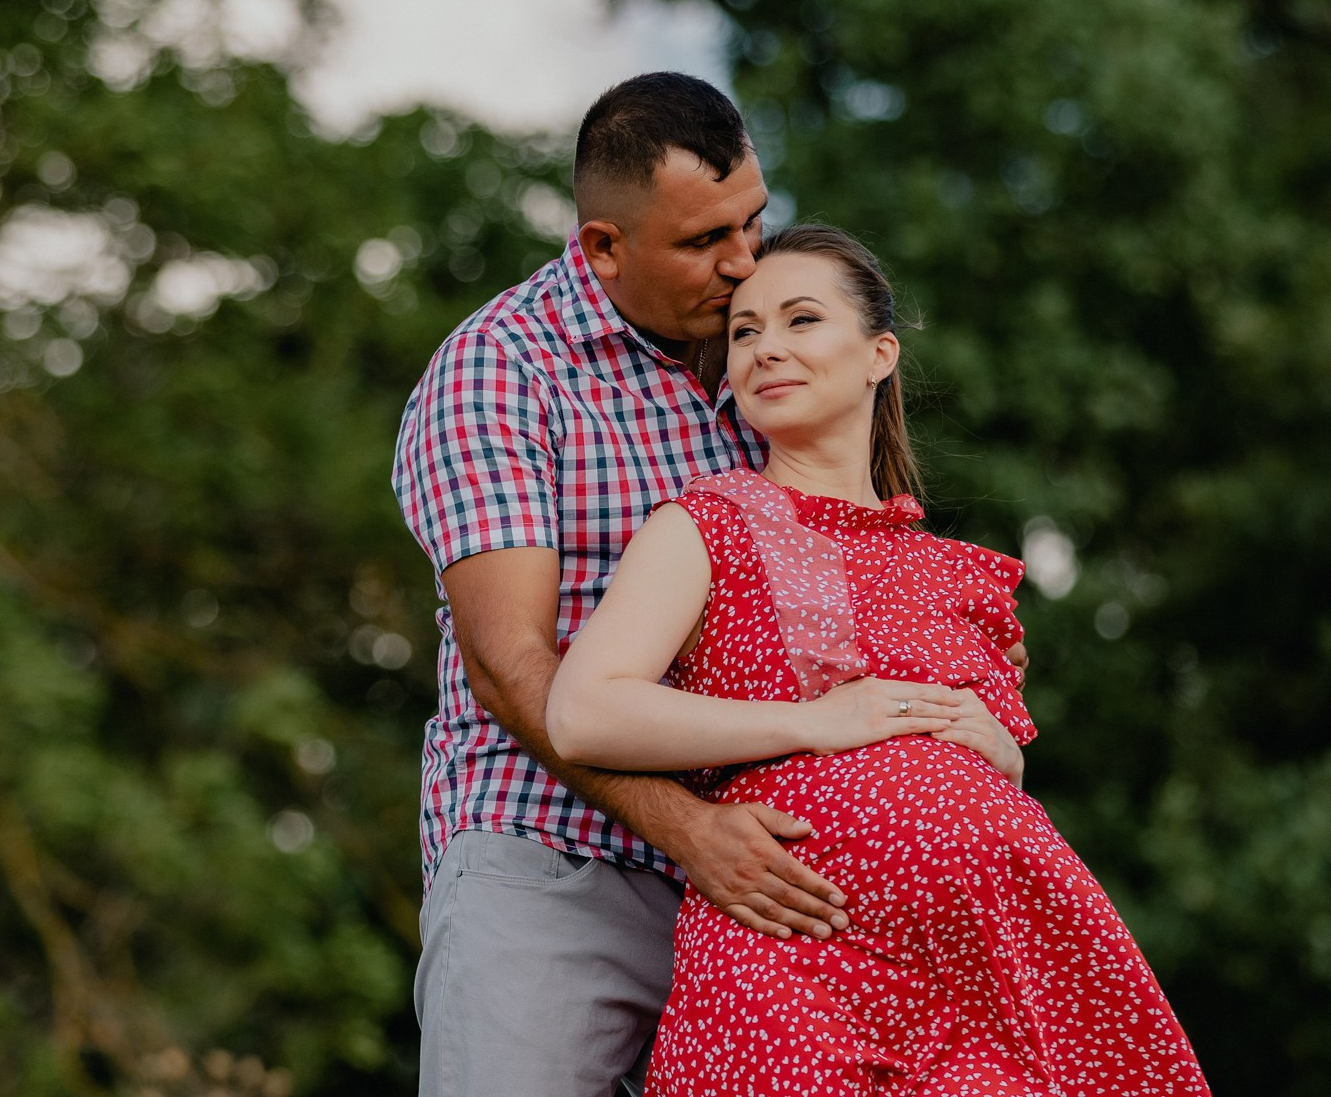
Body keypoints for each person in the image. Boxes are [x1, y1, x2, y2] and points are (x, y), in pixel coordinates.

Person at [391, 73, 1018, 1096]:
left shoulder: (758, 356)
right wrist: (689, 829)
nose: (741, 265)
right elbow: (511, 669)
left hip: (765, 886)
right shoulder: (497, 372)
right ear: (602, 247)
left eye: (752, 222)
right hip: (556, 861)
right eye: (700, 243)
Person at [544, 224, 1210, 1097]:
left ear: (878, 353)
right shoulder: (706, 524)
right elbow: (582, 711)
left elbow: (990, 765)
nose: (766, 348)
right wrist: (816, 723)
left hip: (982, 987)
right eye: (744, 332)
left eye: (800, 320)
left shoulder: (960, 574)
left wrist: (1001, 753)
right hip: (794, 976)